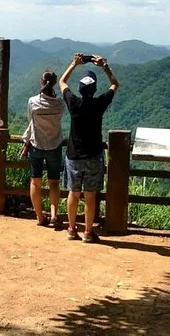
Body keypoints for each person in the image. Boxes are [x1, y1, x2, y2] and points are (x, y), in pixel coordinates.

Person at [59, 53, 119, 243]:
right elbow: (115, 84)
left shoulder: (73, 103)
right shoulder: (99, 103)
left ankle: (71, 229)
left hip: (73, 157)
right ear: (94, 89)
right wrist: (104, 66)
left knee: (73, 193)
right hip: (93, 156)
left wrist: (74, 64)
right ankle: (88, 232)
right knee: (90, 196)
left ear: (79, 88)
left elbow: (62, 81)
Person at [20, 70, 65, 228]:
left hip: (36, 145)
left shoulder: (32, 102)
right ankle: (54, 215)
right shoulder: (60, 104)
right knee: (54, 182)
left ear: (41, 82)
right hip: (54, 146)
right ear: (54, 83)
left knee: (35, 182)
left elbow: (30, 121)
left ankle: (40, 217)